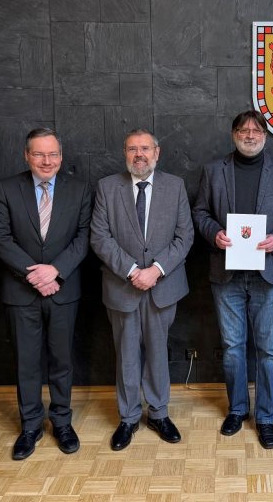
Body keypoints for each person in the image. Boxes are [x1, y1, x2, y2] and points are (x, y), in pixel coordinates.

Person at [192, 110, 273, 449]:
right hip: (226, 274)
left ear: (266, 137)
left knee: (268, 350)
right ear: (233, 135)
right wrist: (215, 234)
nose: (250, 135)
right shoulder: (214, 171)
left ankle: (266, 417)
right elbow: (200, 213)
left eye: (256, 131)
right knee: (232, 348)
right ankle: (238, 409)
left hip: (267, 274)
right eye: (243, 130)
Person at [0, 128, 92, 460]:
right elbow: (0, 238)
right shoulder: (6, 189)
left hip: (64, 289)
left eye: (53, 154)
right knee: (27, 363)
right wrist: (35, 274)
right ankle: (31, 425)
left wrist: (56, 271)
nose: (46, 161)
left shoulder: (80, 190)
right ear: (26, 156)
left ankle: (61, 421)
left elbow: (84, 235)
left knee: (62, 361)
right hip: (21, 291)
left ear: (61, 157)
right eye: (39, 154)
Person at [90, 128, 194, 451]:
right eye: (133, 149)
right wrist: (133, 271)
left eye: (145, 148)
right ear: (125, 153)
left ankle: (159, 413)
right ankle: (129, 417)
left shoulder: (175, 187)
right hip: (123, 287)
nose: (140, 154)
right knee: (126, 354)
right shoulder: (108, 188)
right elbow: (99, 236)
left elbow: (185, 236)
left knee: (158, 351)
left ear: (157, 153)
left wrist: (156, 270)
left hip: (163, 287)